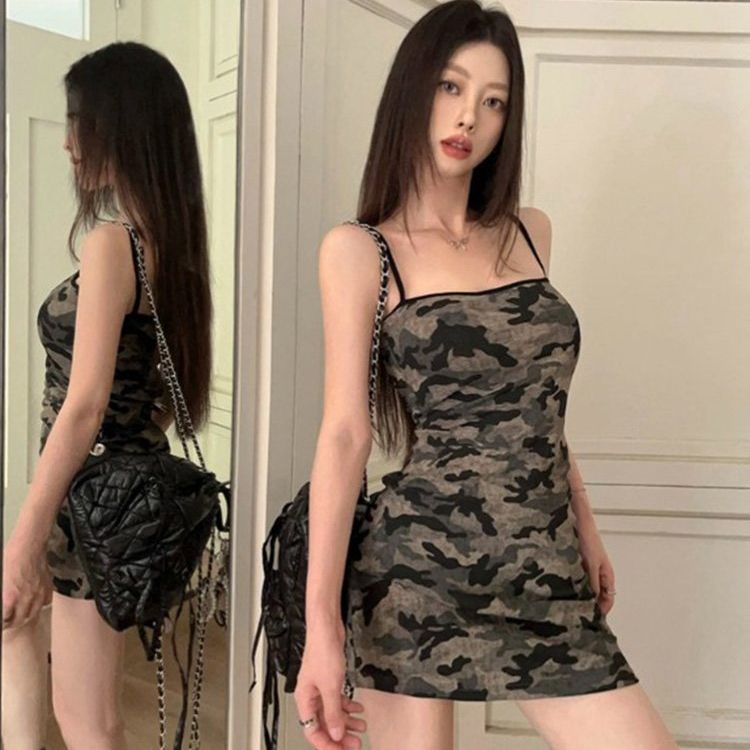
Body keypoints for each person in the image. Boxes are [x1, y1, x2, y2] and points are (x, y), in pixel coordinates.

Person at [293, 3, 679, 749]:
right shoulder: (360, 250)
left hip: (547, 570)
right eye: (451, 86)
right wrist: (321, 630)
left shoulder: (530, 231)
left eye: (494, 100)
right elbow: (343, 437)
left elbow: (536, 404)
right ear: (412, 88)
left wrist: (586, 525)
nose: (469, 115)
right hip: (417, 577)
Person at [2, 41, 212, 750]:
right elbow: (156, 395)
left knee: (87, 720)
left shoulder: (113, 245)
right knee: (22, 634)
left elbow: (85, 404)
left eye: (79, 121)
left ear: (123, 126)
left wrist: (26, 537)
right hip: (114, 498)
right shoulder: (172, 250)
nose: (68, 142)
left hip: (88, 501)